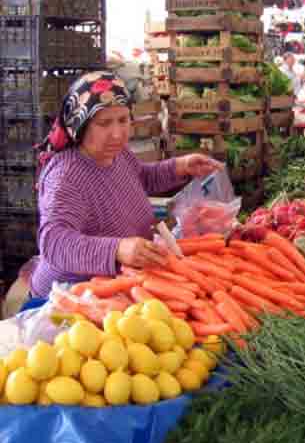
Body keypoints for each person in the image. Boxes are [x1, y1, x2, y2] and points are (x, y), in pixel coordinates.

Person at [30, 72, 223, 299]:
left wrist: (181, 166)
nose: (117, 134)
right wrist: (117, 250)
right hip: (71, 297)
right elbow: (54, 243)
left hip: (120, 284)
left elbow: (140, 178)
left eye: (123, 120)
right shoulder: (66, 177)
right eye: (104, 123)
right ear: (79, 124)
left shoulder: (117, 154)